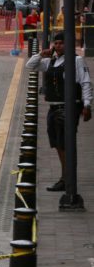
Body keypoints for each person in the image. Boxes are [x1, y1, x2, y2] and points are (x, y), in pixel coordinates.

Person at [25, 32, 93, 191]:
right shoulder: (51, 62)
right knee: (57, 144)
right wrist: (41, 54)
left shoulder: (76, 60)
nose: (58, 46)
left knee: (65, 144)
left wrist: (87, 105)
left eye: (61, 43)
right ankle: (66, 176)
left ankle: (67, 179)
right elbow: (30, 65)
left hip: (68, 108)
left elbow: (85, 83)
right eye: (56, 43)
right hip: (53, 107)